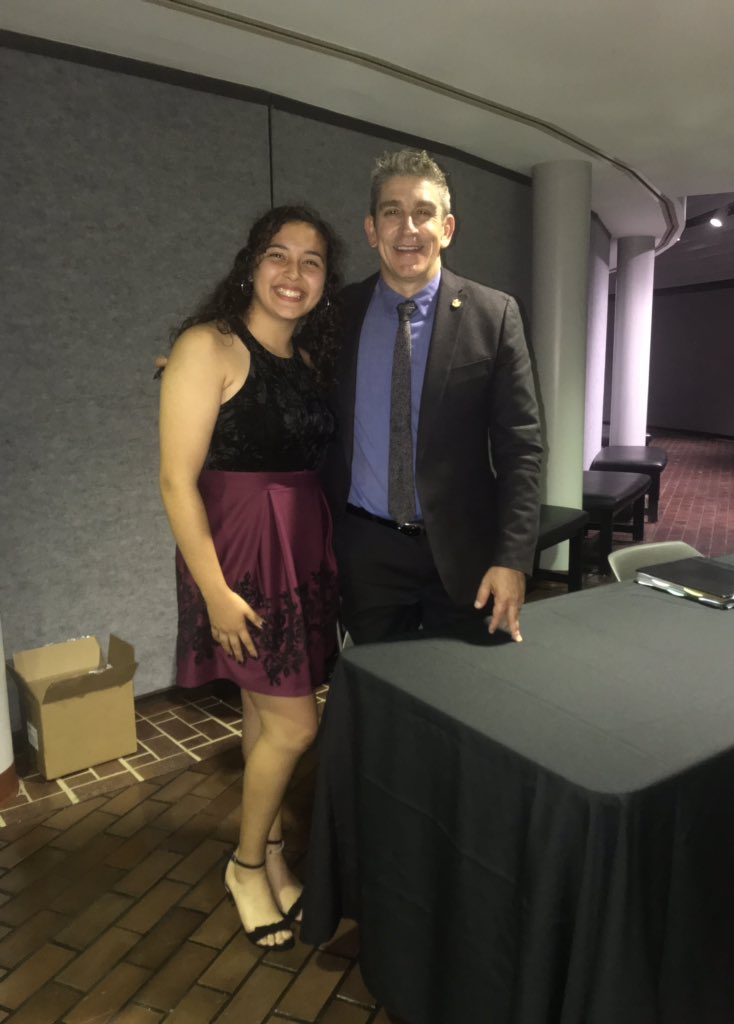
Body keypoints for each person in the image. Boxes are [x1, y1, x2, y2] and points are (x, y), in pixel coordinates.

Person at [158, 206, 342, 951]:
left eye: (312, 262)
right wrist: (215, 592)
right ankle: (243, 865)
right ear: (249, 264)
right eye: (278, 254)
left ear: (326, 282)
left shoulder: (309, 363)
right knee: (298, 723)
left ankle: (266, 849)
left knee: (269, 718)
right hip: (236, 561)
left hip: (297, 551)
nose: (292, 273)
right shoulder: (208, 346)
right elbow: (176, 481)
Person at [322, 148, 542, 644]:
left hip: (468, 554)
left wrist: (513, 558)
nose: (408, 228)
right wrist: (204, 357)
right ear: (371, 229)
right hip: (366, 553)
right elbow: (274, 350)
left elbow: (521, 448)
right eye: (392, 212)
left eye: (424, 212)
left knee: (467, 699)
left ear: (446, 229)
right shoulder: (337, 315)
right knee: (382, 700)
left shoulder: (495, 314)